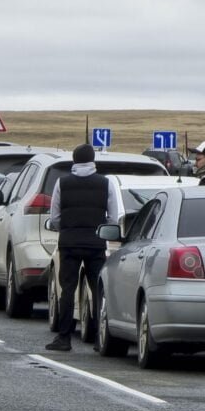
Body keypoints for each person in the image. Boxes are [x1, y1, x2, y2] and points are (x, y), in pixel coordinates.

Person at [46, 143, 120, 352]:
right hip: (95, 243)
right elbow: (113, 217)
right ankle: (99, 338)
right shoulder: (106, 183)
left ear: (74, 160)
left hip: (69, 243)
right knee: (97, 290)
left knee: (67, 289)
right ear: (93, 160)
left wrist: (67, 228)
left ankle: (64, 338)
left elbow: (54, 217)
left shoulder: (62, 183)